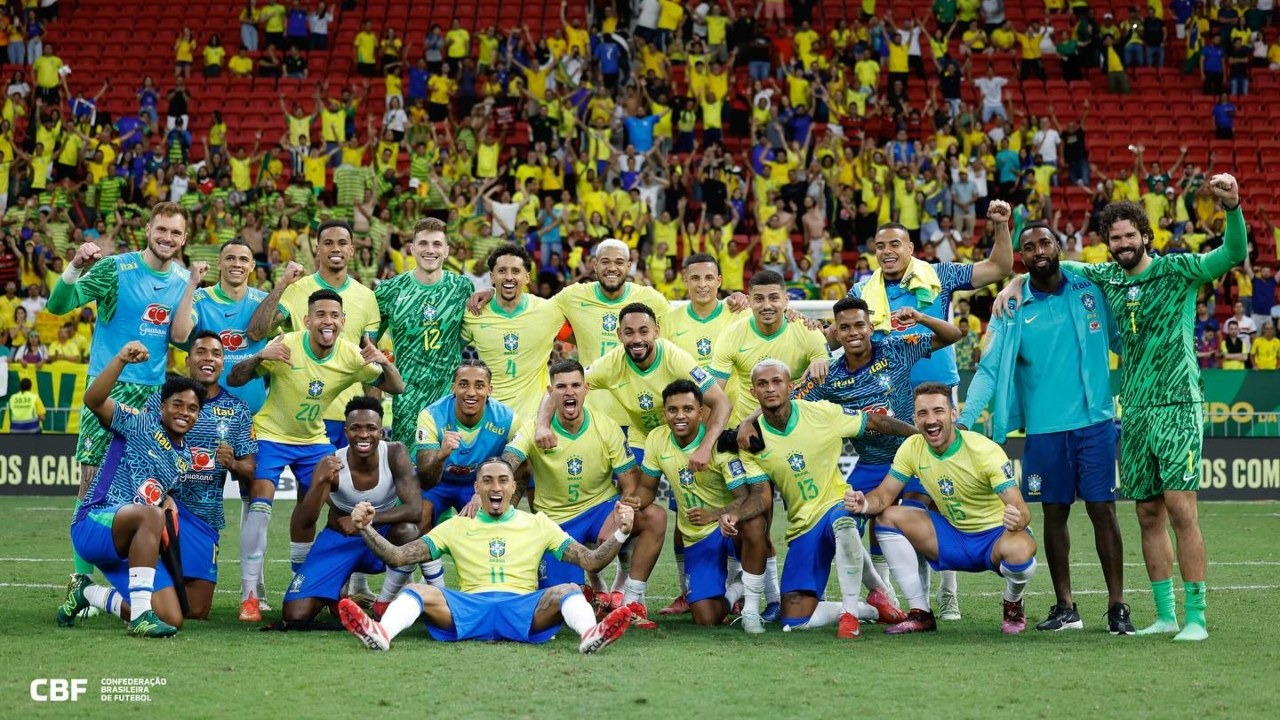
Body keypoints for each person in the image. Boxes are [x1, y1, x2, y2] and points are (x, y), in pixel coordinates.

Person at [996, 173, 1246, 642]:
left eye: (1130, 235)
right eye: (1115, 238)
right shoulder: (1107, 277)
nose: (1123, 244)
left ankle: (1196, 617)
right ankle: (1165, 615)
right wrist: (1016, 282)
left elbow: (1232, 254)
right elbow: (1050, 264)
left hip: (1177, 403)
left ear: (1145, 236)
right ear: (1108, 244)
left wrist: (1232, 208)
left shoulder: (1179, 269)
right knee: (1147, 512)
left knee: (1181, 509)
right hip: (1135, 410)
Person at [960, 222, 1132, 634]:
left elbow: (1124, 341)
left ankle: (1117, 606)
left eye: (1045, 243)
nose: (1038, 251)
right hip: (1044, 430)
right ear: (1021, 256)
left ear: (1059, 246)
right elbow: (989, 368)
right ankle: (1066, 606)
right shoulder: (1011, 308)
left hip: (1095, 422)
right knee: (1054, 515)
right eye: (1029, 247)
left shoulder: (1089, 288)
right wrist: (963, 421)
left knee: (1103, 511)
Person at [848, 203, 1015, 620]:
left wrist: (1000, 225)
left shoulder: (939, 275)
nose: (888, 251)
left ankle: (948, 591)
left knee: (939, 492)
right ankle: (891, 593)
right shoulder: (861, 291)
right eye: (880, 246)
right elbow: (843, 333)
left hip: (934, 400)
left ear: (911, 248)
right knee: (888, 495)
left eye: (895, 244)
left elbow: (999, 267)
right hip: (886, 402)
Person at [46, 202, 192, 612]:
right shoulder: (115, 269)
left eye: (175, 233)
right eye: (161, 229)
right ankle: (80, 582)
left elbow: (183, 337)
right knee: (92, 483)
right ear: (147, 229)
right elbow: (58, 306)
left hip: (153, 398)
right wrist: (75, 266)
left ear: (184, 238)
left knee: (144, 491)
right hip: (109, 387)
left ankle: (135, 584)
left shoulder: (184, 280)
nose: (167, 238)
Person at [337, 457, 637, 654]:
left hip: (523, 607)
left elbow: (591, 561)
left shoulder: (538, 523)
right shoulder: (456, 526)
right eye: (488, 480)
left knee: (568, 589)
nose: (496, 487)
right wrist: (366, 528)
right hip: (468, 608)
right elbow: (398, 556)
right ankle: (381, 634)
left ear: (513, 486)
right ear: (476, 487)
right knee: (418, 589)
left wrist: (621, 532)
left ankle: (590, 634)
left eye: (503, 480)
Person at [228, 288, 405, 622]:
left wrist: (383, 362)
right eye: (321, 315)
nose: (328, 321)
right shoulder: (287, 344)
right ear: (307, 320)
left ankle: (309, 582)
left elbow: (396, 387)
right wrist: (259, 356)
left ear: (343, 321)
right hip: (270, 435)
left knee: (332, 505)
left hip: (313, 440)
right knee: (261, 505)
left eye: (335, 315)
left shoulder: (350, 355)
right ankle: (249, 596)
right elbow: (235, 379)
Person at [737, 360, 918, 637]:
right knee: (795, 618)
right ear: (754, 392)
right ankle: (872, 607)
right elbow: (762, 496)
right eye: (762, 384)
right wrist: (731, 514)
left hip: (838, 503)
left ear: (790, 386)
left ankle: (850, 614)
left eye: (776, 382)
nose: (770, 389)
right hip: (803, 525)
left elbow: (875, 421)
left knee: (843, 522)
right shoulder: (751, 439)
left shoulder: (821, 412)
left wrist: (918, 435)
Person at [846, 383, 1038, 635]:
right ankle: (920, 613)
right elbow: (883, 496)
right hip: (952, 537)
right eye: (923, 413)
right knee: (887, 517)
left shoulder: (984, 451)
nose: (931, 420)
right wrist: (864, 503)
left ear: (953, 414)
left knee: (1021, 550)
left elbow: (1022, 510)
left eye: (938, 411)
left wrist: (1018, 519)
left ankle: (1013, 603)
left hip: (994, 538)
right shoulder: (912, 447)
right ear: (914, 419)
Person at [503, 359, 666, 628]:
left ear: (586, 389)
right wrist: (491, 482)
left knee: (655, 516)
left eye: (576, 385)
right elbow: (508, 460)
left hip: (600, 510)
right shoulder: (535, 429)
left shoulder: (606, 426)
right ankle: (590, 589)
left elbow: (630, 483)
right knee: (561, 606)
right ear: (550, 392)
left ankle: (631, 600)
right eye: (561, 387)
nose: (569, 392)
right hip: (555, 525)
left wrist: (622, 511)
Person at [58, 341, 205, 638]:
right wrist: (120, 359)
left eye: (192, 408)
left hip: (131, 544)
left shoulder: (186, 458)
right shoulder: (139, 423)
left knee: (172, 618)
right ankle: (140, 617)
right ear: (162, 406)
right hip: (94, 523)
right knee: (151, 515)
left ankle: (87, 593)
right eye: (177, 404)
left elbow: (153, 487)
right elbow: (93, 400)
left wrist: (167, 498)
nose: (184, 412)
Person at [709, 269, 827, 618]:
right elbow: (714, 393)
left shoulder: (806, 331)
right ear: (749, 300)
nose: (767, 305)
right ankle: (769, 598)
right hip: (750, 443)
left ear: (786, 300)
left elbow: (822, 368)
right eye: (758, 298)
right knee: (755, 522)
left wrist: (821, 358)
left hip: (797, 440)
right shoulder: (733, 334)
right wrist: (709, 439)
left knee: (816, 519)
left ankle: (868, 590)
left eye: (774, 297)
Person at [641, 251, 739, 614]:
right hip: (684, 429)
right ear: (685, 281)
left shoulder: (737, 313)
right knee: (684, 510)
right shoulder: (669, 320)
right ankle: (688, 590)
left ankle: (754, 589)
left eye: (709, 277)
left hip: (731, 427)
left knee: (750, 507)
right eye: (694, 278)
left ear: (719, 280)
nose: (702, 285)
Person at [641, 380, 771, 631]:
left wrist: (715, 514)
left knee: (754, 523)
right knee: (706, 617)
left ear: (701, 412)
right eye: (673, 410)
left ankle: (752, 609)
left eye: (688, 409)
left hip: (728, 527)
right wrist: (631, 503)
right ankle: (737, 589)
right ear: (664, 413)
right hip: (696, 537)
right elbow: (647, 488)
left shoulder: (719, 445)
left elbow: (746, 496)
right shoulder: (657, 439)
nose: (680, 416)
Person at [143, 331, 256, 619]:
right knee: (157, 601)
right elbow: (139, 451)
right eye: (201, 352)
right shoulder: (159, 401)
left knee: (196, 611)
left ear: (223, 362)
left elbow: (251, 470)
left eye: (216, 354)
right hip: (159, 509)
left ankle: (154, 593)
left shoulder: (237, 410)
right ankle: (124, 593)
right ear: (188, 359)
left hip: (205, 518)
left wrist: (233, 464)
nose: (209, 358)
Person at [281, 397, 421, 624]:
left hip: (381, 539)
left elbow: (414, 509)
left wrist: (364, 521)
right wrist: (320, 482)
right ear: (346, 432)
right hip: (340, 541)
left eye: (371, 428)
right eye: (356, 428)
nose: (363, 434)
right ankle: (335, 593)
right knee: (295, 615)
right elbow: (306, 520)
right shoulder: (332, 463)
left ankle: (384, 602)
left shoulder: (395, 452)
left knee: (408, 531)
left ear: (381, 432)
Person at [247, 220, 378, 448]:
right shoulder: (296, 289)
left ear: (351, 250)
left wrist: (373, 415)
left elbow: (370, 364)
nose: (335, 249)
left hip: (348, 416)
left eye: (342, 243)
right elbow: (257, 332)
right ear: (317, 249)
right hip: (297, 418)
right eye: (328, 243)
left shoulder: (367, 298)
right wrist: (283, 283)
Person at [410, 361, 519, 603]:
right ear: (453, 388)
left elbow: (521, 465)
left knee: (489, 520)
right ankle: (438, 591)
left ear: (490, 389)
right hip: (439, 482)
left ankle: (488, 586)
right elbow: (426, 479)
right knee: (418, 518)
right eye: (463, 385)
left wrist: (486, 493)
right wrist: (441, 455)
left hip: (477, 484)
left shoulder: (507, 419)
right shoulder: (431, 415)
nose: (471, 392)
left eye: (479, 385)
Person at [373, 217, 475, 447]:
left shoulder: (462, 287)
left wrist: (489, 292)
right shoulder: (389, 290)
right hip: (408, 403)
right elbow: (368, 346)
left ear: (447, 250)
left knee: (451, 464)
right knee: (410, 467)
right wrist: (374, 404)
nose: (430, 250)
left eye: (437, 244)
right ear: (412, 249)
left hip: (451, 401)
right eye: (423, 243)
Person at [461, 244, 565, 422]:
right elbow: (448, 352)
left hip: (534, 423)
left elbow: (579, 337)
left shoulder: (548, 311)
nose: (509, 277)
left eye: (516, 271)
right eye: (502, 271)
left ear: (527, 277)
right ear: (492, 277)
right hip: (490, 421)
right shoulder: (474, 313)